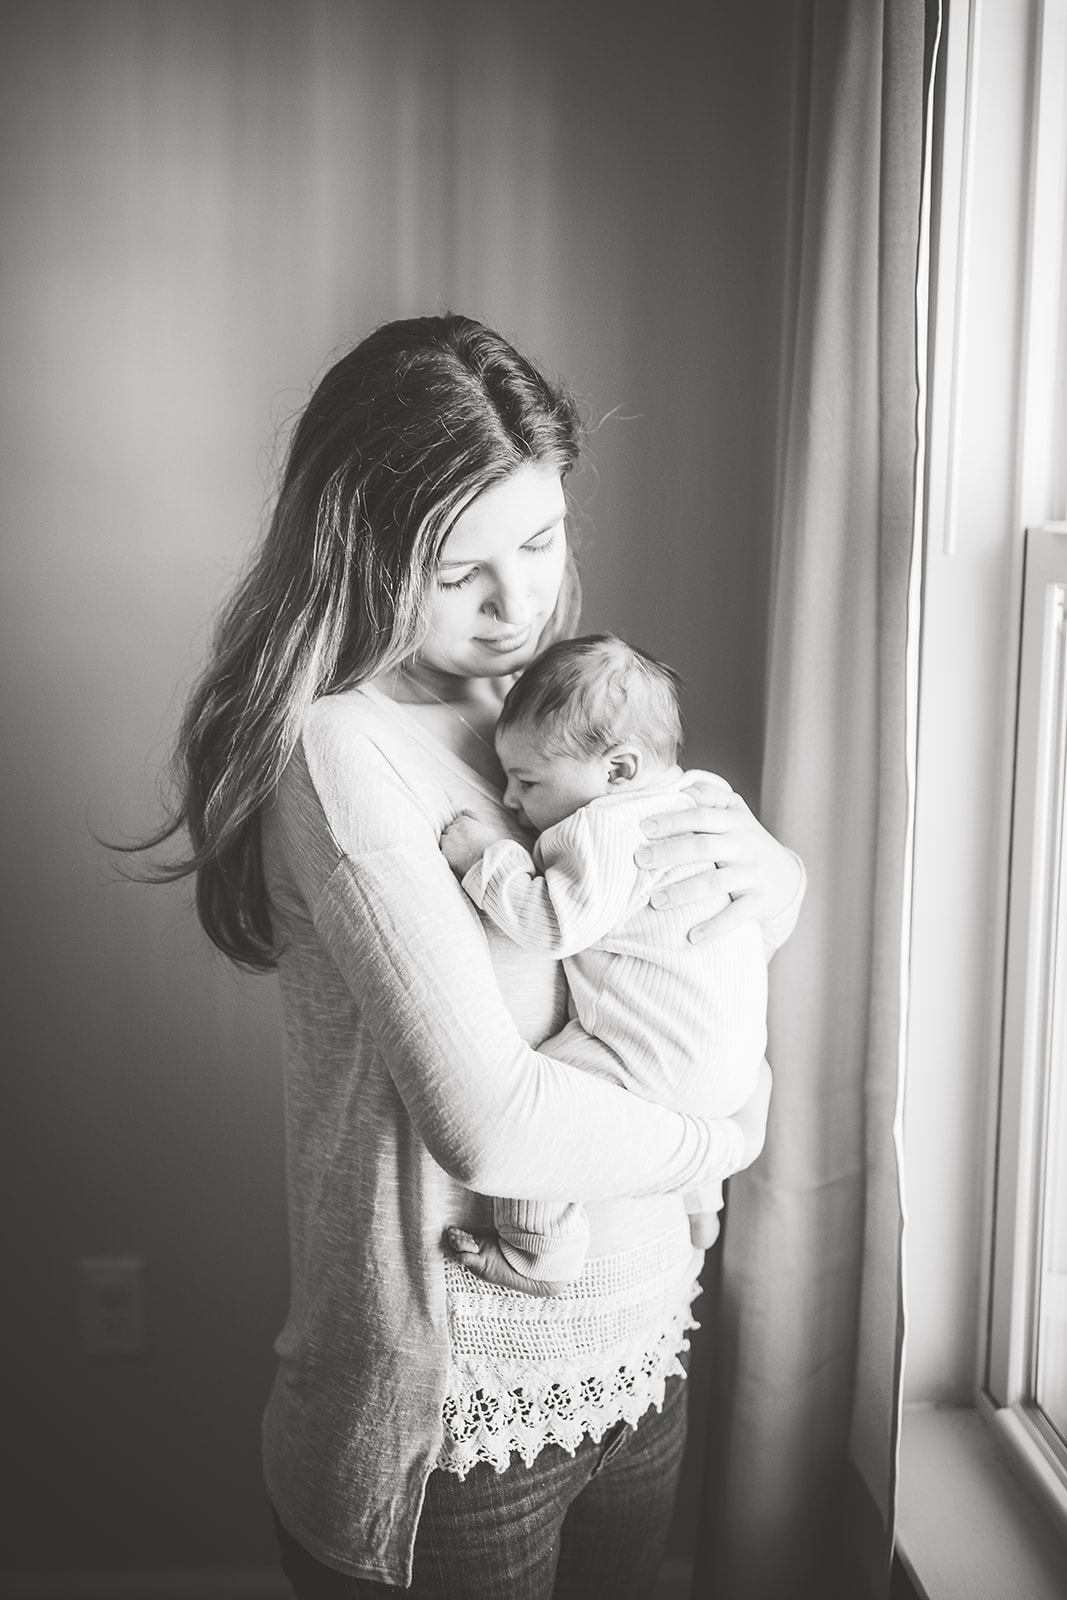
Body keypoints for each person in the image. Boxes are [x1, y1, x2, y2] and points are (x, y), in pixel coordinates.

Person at [136, 313, 805, 1599]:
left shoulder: (550, 714)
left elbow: (671, 953)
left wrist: (776, 886)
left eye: (542, 543)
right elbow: (490, 1125)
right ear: (369, 553)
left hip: (637, 1359)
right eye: (461, 572)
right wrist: (723, 1139)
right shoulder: (345, 751)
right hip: (456, 1435)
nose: (518, 605)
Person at [439, 632, 769, 1287]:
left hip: (654, 1061)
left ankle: (540, 1249)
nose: (508, 799)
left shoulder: (606, 826)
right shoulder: (706, 798)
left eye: (527, 780)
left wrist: (483, 857)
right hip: (734, 1069)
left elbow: (550, 922)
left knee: (537, 1114)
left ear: (616, 772)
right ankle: (701, 1206)